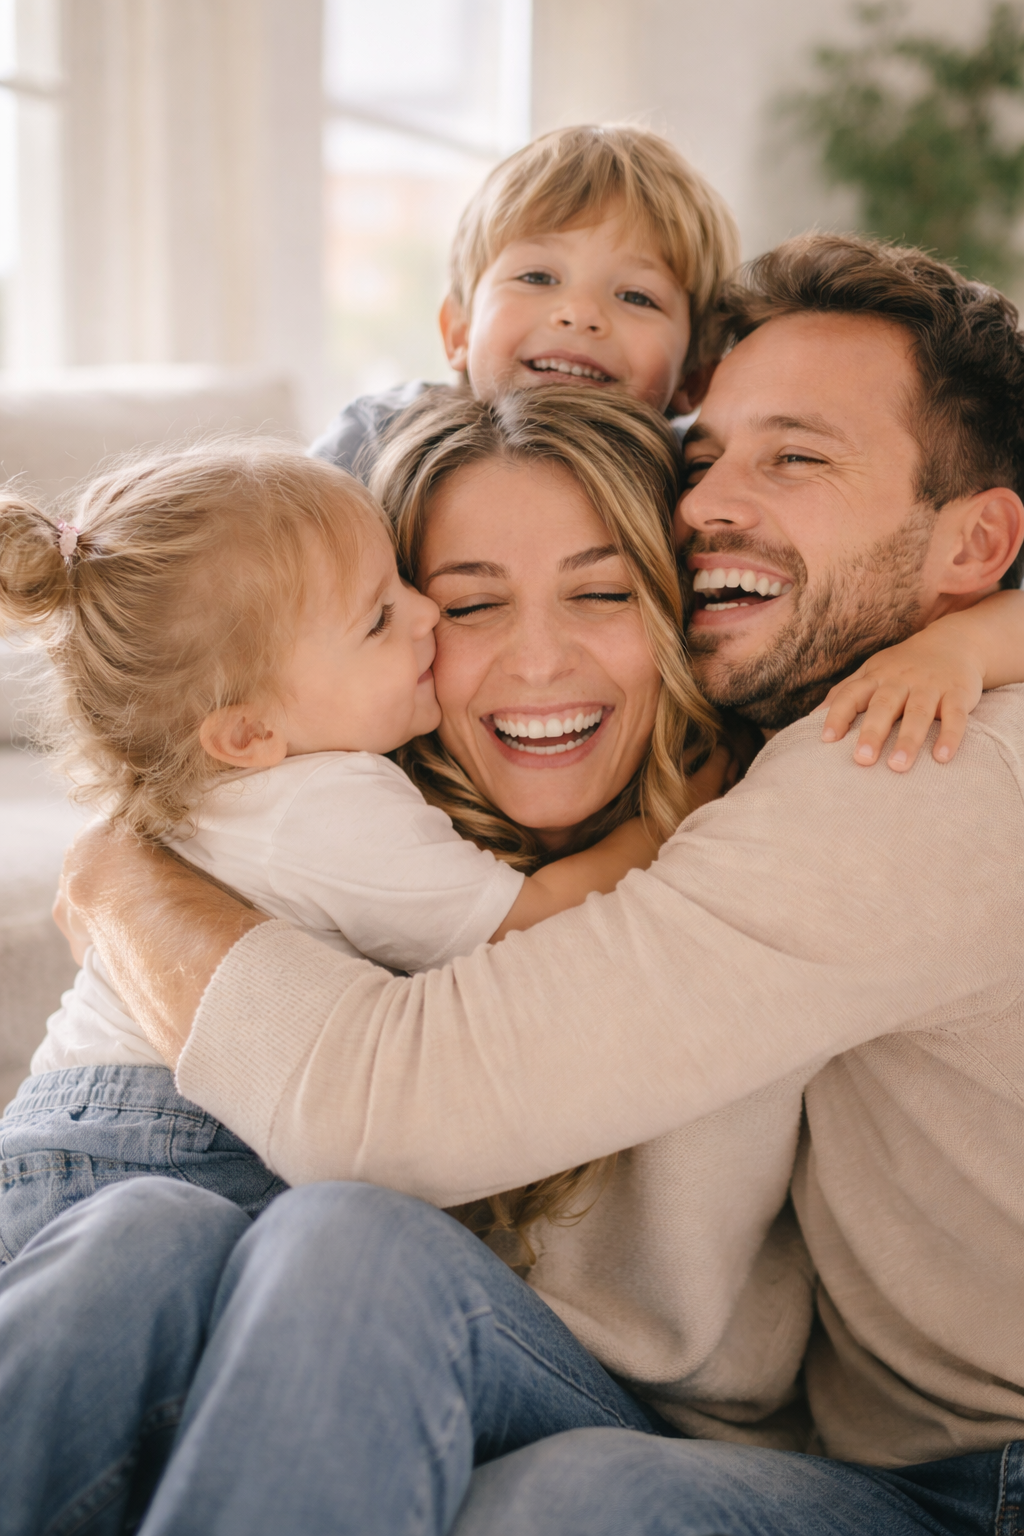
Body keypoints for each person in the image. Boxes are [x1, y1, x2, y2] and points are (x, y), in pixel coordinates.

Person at [15, 232, 1023, 1535]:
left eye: (798, 456)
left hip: (959, 1471)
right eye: (705, 456)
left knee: (510, 1449)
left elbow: (373, 1108)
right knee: (227, 1250)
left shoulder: (891, 759)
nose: (712, 502)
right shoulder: (370, 796)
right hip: (695, 1407)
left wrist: (117, 874)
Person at [0, 390, 736, 1264]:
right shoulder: (341, 802)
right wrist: (674, 819)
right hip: (166, 1140)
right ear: (245, 731)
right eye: (430, 608)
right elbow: (528, 925)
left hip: (64, 1121)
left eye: (604, 591)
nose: (421, 616)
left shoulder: (232, 784)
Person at [310, 123, 740, 477]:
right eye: (537, 276)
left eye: (636, 297)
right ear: (459, 330)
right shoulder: (373, 444)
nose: (580, 314)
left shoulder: (700, 483)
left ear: (693, 376)